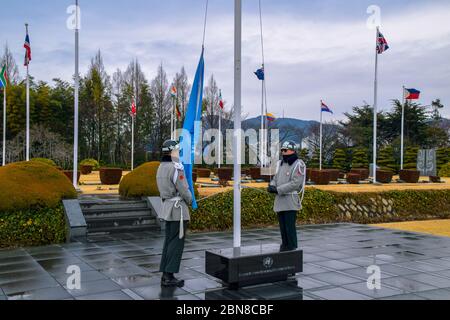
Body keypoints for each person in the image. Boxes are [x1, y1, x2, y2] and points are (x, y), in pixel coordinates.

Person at [157, 140, 193, 287]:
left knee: (168, 242)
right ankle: (169, 275)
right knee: (176, 243)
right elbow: (184, 189)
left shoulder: (161, 167)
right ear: (172, 151)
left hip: (167, 207)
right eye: (177, 150)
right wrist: (191, 200)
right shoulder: (176, 167)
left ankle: (165, 274)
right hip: (178, 209)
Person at [268, 141, 306, 252]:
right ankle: (285, 246)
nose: (283, 152)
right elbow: (276, 178)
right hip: (280, 200)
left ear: (293, 150)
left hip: (290, 200)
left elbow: (295, 183)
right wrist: (272, 186)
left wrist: (278, 189)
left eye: (285, 150)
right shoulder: (280, 163)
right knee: (283, 228)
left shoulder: (299, 164)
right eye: (282, 150)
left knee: (290, 228)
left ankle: (292, 248)